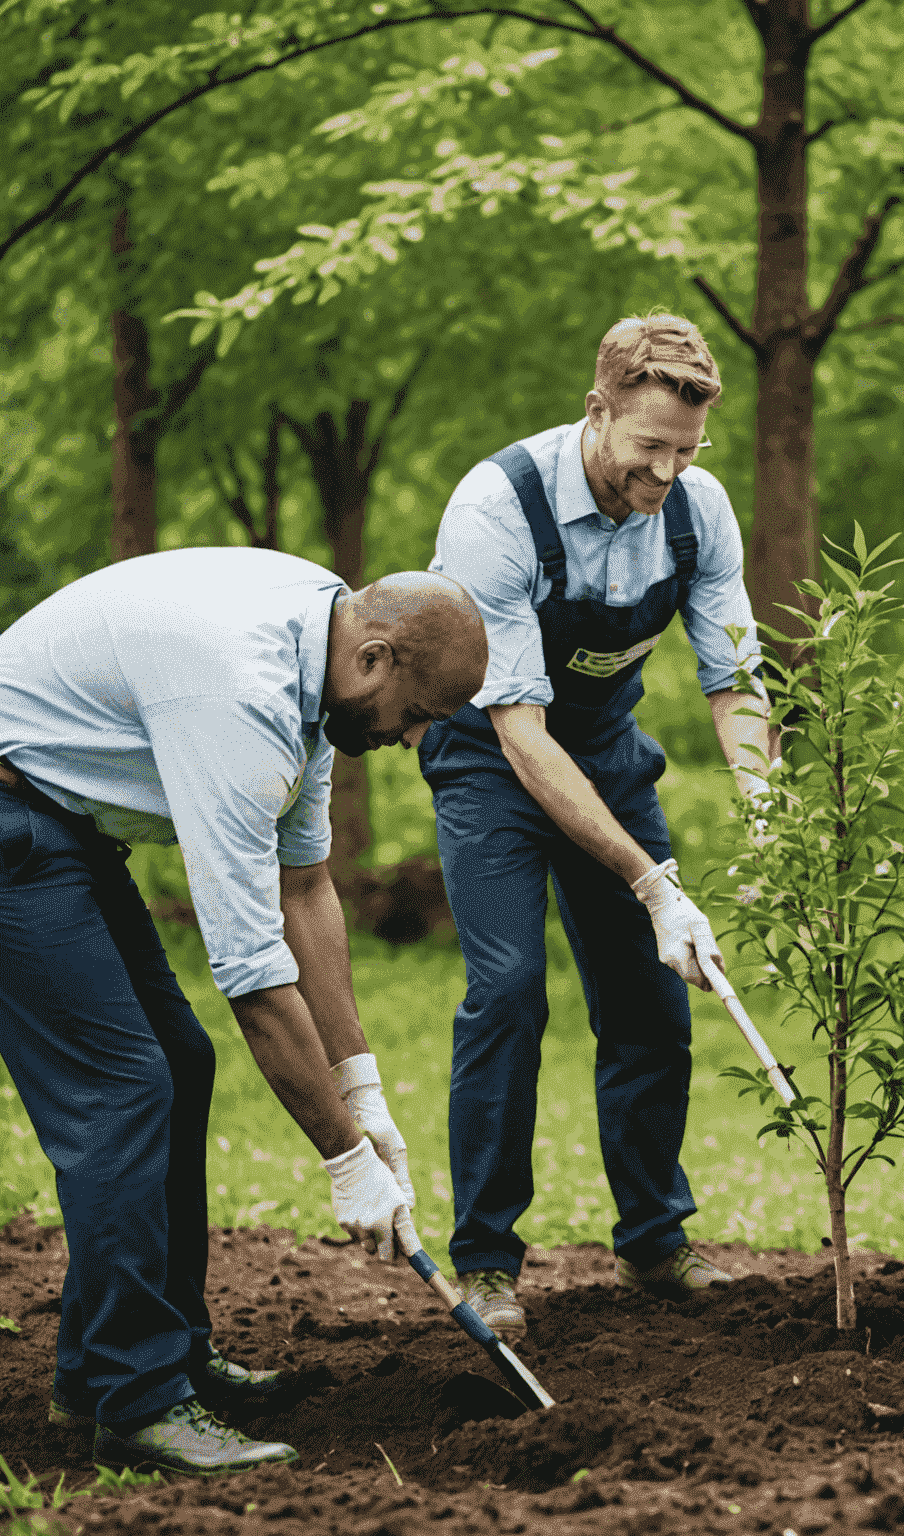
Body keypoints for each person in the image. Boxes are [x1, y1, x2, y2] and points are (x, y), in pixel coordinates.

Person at [0, 549, 488, 1476]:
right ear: (374, 659)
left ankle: (138, 1361)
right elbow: (254, 974)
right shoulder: (237, 699)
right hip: (11, 818)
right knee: (123, 1092)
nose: (414, 739)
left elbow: (303, 891)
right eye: (418, 716)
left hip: (61, 818)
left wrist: (363, 1091)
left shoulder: (315, 669)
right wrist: (344, 1161)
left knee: (179, 1066)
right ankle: (135, 1401)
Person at [420, 313, 772, 1341]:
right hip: (494, 759)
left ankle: (654, 1242)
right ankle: (486, 1261)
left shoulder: (697, 514)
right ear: (597, 409)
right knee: (509, 993)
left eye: (686, 452)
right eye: (646, 448)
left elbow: (736, 679)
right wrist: (652, 882)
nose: (665, 474)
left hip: (608, 757)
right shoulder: (498, 510)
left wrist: (767, 817)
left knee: (651, 999)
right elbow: (522, 733)